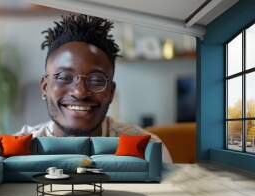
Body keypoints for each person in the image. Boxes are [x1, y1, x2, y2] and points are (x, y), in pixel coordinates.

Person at [16, 14, 172, 163]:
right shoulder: (17, 149)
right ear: (45, 87)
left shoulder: (147, 148)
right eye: (64, 77)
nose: (80, 92)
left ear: (111, 92)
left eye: (96, 80)